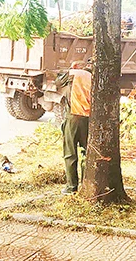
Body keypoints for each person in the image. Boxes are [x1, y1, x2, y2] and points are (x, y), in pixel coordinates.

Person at [55, 61, 92, 194]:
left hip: (73, 117)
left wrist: (70, 69)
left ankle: (71, 187)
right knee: (86, 152)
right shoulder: (93, 77)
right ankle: (86, 184)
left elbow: (57, 82)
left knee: (70, 153)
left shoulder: (73, 73)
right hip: (88, 118)